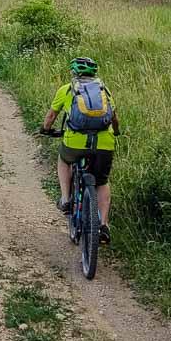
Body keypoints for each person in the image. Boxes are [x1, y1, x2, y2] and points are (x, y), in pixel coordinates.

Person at [40, 56, 120, 244]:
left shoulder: (67, 90)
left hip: (75, 142)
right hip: (104, 144)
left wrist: (46, 129)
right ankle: (103, 225)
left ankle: (66, 199)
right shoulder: (104, 91)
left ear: (74, 72)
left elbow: (52, 115)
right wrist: (116, 133)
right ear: (94, 74)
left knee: (64, 160)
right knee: (101, 181)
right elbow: (114, 119)